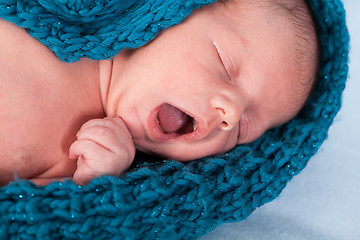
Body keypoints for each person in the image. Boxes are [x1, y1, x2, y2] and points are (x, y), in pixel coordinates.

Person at [0, 0, 318, 186]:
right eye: (225, 63)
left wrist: (93, 177)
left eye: (241, 131)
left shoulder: (80, 155)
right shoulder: (50, 16)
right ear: (171, 12)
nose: (230, 114)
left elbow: (31, 213)